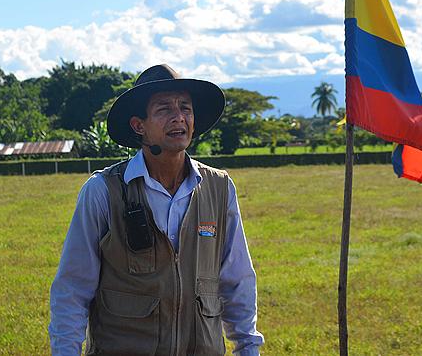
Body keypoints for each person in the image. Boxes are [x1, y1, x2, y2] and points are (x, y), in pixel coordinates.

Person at [49, 64, 264, 355]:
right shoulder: (103, 191)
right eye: (164, 109)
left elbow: (237, 281)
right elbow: (72, 290)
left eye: (185, 107)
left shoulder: (219, 188)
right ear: (139, 126)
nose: (179, 117)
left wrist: (248, 348)